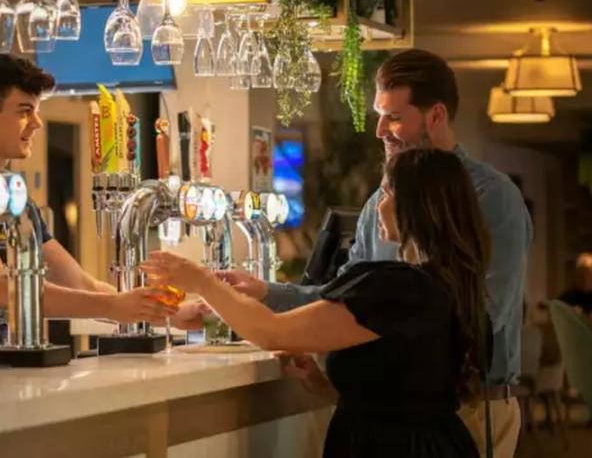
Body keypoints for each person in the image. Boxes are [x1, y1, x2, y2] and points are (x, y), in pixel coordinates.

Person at [218, 49, 532, 458]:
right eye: (379, 116)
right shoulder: (380, 205)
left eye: (395, 117)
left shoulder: (493, 198)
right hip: (395, 416)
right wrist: (263, 293)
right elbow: (344, 296)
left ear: (436, 116)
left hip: (471, 407)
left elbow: (480, 318)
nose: (380, 130)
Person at [142, 148, 488, 458]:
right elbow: (404, 391)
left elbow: (271, 333)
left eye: (387, 192)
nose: (378, 204)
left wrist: (201, 281)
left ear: (416, 205)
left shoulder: (397, 286)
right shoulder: (442, 283)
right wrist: (325, 385)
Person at [0, 54, 197, 372]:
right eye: (24, 111)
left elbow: (78, 282)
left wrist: (167, 310)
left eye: (37, 111)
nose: (37, 123)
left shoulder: (15, 200)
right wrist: (114, 306)